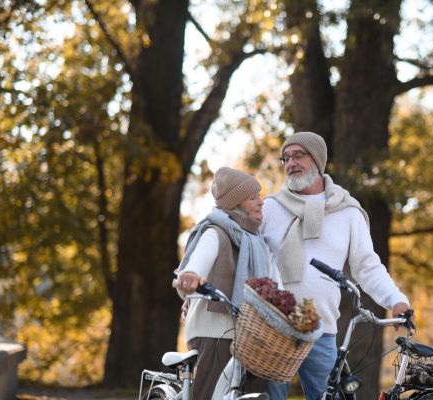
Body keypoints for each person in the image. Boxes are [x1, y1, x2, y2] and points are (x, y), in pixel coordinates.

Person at [261, 132, 411, 400]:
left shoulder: (348, 212)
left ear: (317, 161)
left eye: (298, 155)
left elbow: (368, 267)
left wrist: (396, 299)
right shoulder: (269, 208)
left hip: (321, 331)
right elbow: (242, 257)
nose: (290, 163)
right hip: (273, 328)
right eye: (286, 157)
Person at [175, 166, 282, 400]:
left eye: (260, 195)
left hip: (251, 334)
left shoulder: (258, 242)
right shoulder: (215, 232)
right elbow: (201, 256)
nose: (261, 202)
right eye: (253, 197)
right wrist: (192, 274)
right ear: (236, 204)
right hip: (216, 333)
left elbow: (274, 286)